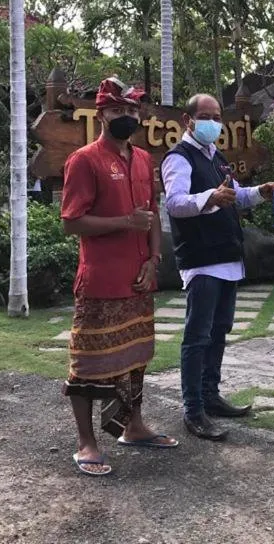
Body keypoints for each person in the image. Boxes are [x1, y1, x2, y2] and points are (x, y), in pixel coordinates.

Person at [60, 76, 178, 477]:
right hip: (100, 280)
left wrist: (154, 258)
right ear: (102, 114)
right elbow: (71, 223)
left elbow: (153, 215)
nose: (126, 116)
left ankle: (134, 426)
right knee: (90, 363)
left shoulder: (145, 159)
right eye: (117, 111)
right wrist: (124, 222)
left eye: (131, 111)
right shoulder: (84, 160)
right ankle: (86, 441)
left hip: (139, 277)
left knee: (135, 358)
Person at [160, 94, 274, 441]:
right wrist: (209, 197)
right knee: (197, 336)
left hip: (227, 257)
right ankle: (193, 409)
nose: (214, 122)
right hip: (201, 259)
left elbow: (237, 195)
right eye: (206, 116)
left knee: (219, 330)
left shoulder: (217, 157)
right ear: (188, 119)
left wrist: (261, 192)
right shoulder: (178, 158)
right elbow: (176, 203)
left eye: (217, 117)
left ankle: (210, 396)